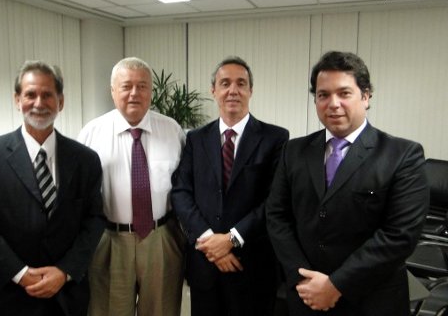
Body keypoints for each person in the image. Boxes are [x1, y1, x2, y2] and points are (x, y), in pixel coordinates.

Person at [265, 51, 429, 315]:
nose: (333, 103)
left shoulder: (402, 155)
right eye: (323, 95)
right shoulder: (294, 151)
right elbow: (276, 216)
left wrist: (335, 285)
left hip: (370, 299)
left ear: (365, 96)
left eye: (344, 93)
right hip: (305, 297)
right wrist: (303, 278)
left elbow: (399, 235)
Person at [0, 60, 106, 316]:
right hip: (11, 295)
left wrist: (64, 271)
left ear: (60, 102)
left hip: (67, 295)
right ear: (17, 100)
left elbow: (94, 220)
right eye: (30, 94)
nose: (39, 103)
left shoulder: (85, 159)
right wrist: (21, 274)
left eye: (47, 95)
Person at [170, 56, 289, 316]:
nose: (232, 90)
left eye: (241, 83)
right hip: (205, 263)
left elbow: (274, 200)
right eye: (225, 83)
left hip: (251, 265)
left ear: (250, 91)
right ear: (214, 90)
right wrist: (210, 241)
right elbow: (181, 192)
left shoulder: (275, 138)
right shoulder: (195, 139)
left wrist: (232, 239)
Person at [77, 57, 186, 316]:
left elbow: (186, 188)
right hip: (110, 240)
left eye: (142, 86)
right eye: (126, 86)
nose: (134, 93)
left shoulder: (172, 131)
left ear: (151, 91)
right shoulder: (91, 134)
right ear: (113, 91)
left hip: (161, 238)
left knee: (161, 310)